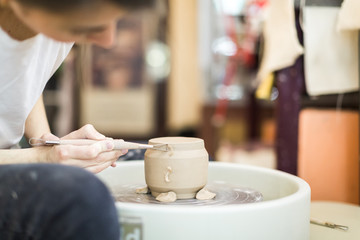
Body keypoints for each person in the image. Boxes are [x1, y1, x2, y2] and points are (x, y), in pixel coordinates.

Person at [0, 0, 154, 239]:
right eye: (94, 24)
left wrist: (46, 142)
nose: (108, 40)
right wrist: (40, 158)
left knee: (156, 157)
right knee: (81, 197)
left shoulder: (46, 18)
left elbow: (19, 75)